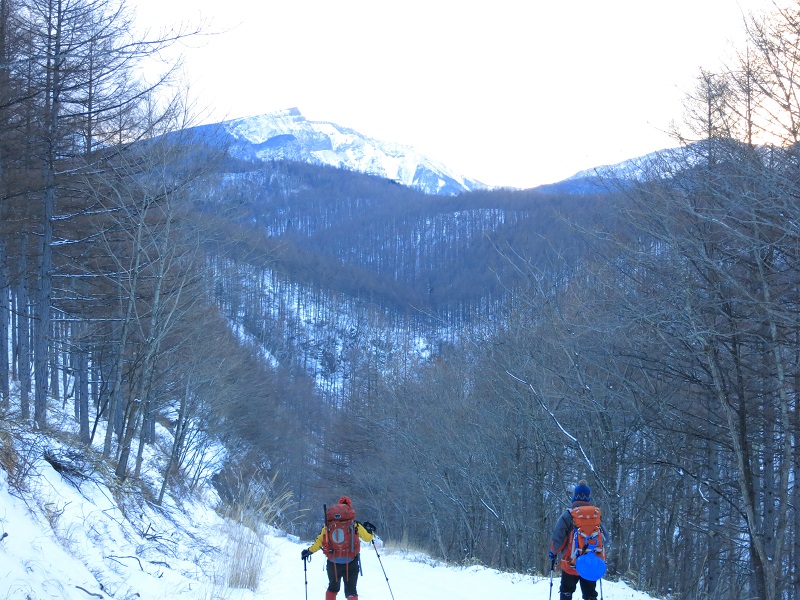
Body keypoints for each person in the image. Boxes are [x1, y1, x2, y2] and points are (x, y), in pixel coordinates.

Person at [301, 496, 376, 600]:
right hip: (351, 561)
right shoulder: (355, 524)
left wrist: (308, 551)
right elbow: (367, 538)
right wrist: (371, 531)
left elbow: (319, 542)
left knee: (332, 588)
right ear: (349, 508)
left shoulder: (328, 525)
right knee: (351, 591)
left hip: (333, 562)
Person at [549, 480, 608, 600]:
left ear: (574, 497)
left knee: (566, 591)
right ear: (588, 497)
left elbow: (558, 537)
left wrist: (553, 552)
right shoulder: (596, 516)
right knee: (590, 594)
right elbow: (606, 538)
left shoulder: (568, 515)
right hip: (590, 563)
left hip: (571, 563)